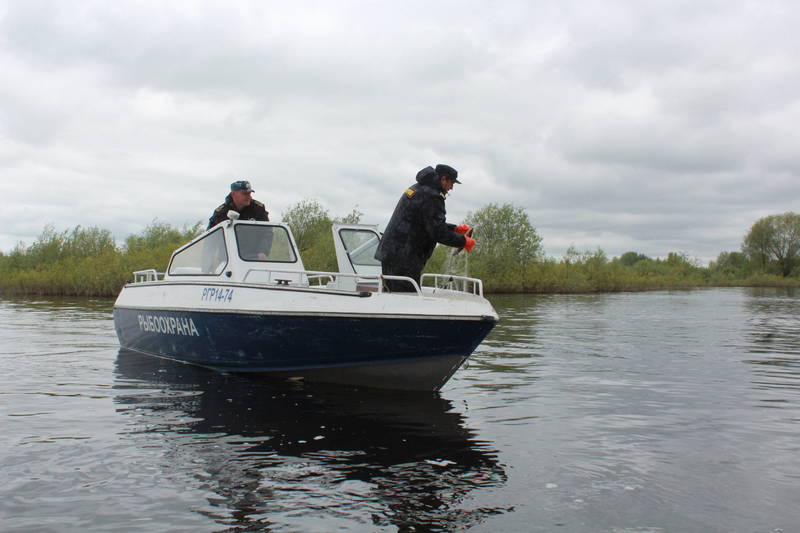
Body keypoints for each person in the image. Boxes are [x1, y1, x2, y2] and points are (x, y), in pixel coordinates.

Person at [374, 164, 476, 292]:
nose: (452, 188)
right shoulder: (432, 196)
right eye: (452, 183)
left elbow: (424, 222)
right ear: (444, 179)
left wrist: (454, 229)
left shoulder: (419, 188)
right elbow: (437, 232)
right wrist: (463, 241)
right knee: (406, 301)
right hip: (404, 259)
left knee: (393, 296)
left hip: (392, 254)